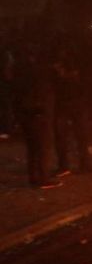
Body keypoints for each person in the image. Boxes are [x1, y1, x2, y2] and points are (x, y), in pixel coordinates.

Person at [10, 29, 62, 188]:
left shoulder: (17, 68)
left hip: (26, 112)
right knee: (42, 146)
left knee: (32, 147)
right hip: (37, 112)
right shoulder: (36, 70)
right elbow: (41, 90)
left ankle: (34, 177)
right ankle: (43, 178)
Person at [52, 34, 92, 174]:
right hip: (70, 102)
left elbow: (76, 79)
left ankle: (77, 164)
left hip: (70, 102)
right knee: (74, 135)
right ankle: (78, 164)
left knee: (70, 135)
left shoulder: (70, 62)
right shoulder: (72, 60)